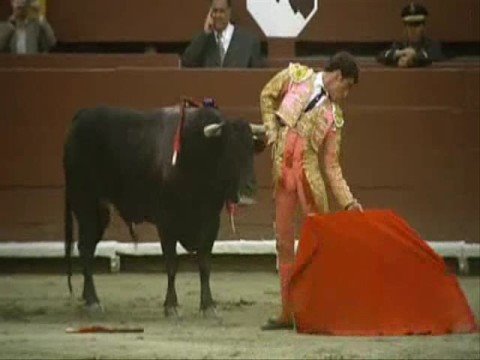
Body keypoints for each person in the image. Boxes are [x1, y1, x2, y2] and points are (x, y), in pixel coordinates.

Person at [259, 52, 363, 330]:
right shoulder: (296, 77)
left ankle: (316, 310)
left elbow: (331, 167)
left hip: (309, 185)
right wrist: (271, 130)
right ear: (337, 76)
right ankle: (287, 311)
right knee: (283, 245)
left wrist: (348, 201)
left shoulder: (334, 117)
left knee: (317, 247)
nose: (346, 93)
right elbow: (267, 96)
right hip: (283, 177)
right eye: (347, 86)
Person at [181, 0, 264, 68]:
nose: (218, 15)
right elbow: (187, 63)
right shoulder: (203, 40)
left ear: (229, 11)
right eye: (215, 11)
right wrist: (205, 34)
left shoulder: (249, 41)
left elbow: (257, 76)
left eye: (222, 11)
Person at [377, 2, 443, 67]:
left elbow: (435, 56)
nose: (413, 29)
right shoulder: (400, 45)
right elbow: (382, 56)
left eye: (416, 25)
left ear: (423, 27)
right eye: (410, 25)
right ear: (405, 28)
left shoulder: (432, 44)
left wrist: (414, 55)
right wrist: (401, 53)